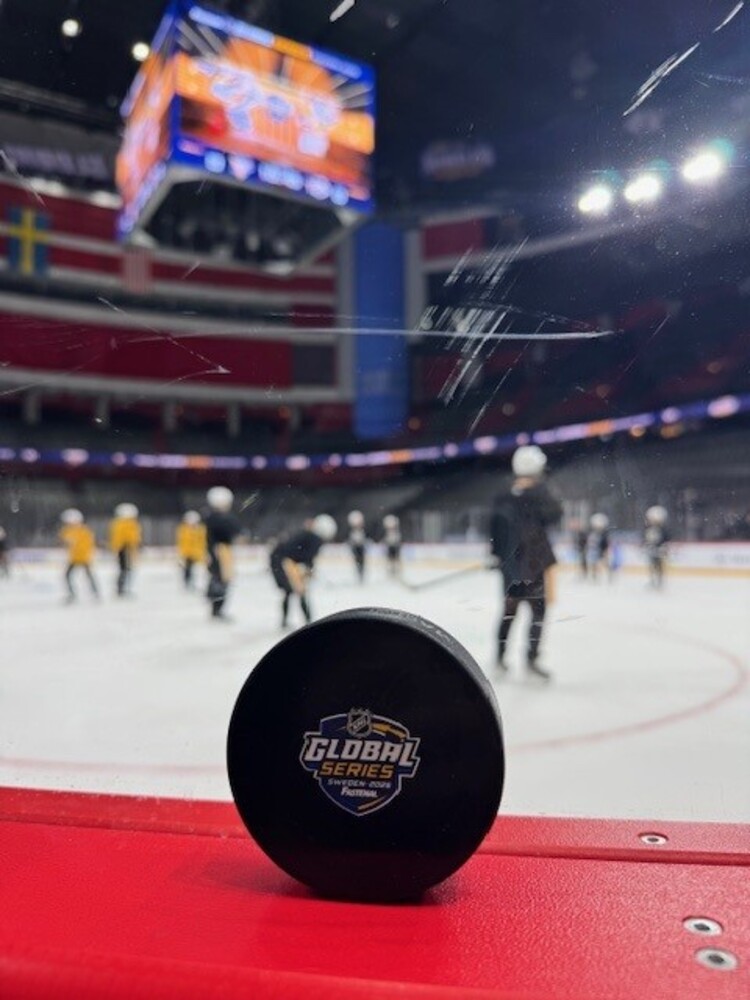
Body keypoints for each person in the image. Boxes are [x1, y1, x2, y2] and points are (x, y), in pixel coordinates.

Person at [489, 445, 562, 680]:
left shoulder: (504, 495)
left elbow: (495, 530)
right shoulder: (538, 494)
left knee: (515, 614)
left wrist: (496, 554)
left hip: (518, 566)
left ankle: (508, 658)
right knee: (530, 613)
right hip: (527, 566)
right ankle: (521, 658)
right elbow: (555, 514)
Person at [270, 514, 337, 629]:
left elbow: (301, 554)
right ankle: (308, 621)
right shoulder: (315, 539)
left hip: (281, 559)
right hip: (286, 562)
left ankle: (290, 621)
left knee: (290, 592)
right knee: (298, 592)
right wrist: (309, 569)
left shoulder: (309, 535)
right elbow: (307, 557)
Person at [204, 486, 243, 620]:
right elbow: (236, 531)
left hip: (218, 552)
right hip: (221, 553)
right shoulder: (220, 519)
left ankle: (216, 609)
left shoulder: (209, 518)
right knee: (221, 581)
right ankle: (217, 609)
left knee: (218, 580)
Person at [59, 509, 99, 604]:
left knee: (86, 576)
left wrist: (82, 553)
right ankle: (90, 593)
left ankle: (94, 593)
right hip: (75, 557)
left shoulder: (83, 531)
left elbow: (87, 545)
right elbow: (65, 541)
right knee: (71, 576)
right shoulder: (68, 530)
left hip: (82, 557)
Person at [110, 503, 141, 597]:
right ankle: (122, 588)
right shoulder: (126, 524)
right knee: (125, 569)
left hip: (125, 548)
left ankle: (122, 588)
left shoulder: (119, 523)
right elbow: (128, 537)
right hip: (125, 548)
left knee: (125, 569)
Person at [176, 510, 206, 590]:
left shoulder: (201, 529)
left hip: (198, 554)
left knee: (198, 570)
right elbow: (182, 542)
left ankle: (197, 584)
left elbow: (203, 541)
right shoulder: (183, 529)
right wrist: (182, 554)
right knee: (187, 570)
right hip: (187, 554)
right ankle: (187, 583)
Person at [644, 505, 669, 589]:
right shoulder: (648, 529)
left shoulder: (663, 530)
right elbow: (646, 539)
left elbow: (666, 539)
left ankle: (659, 582)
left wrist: (664, 548)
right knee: (652, 566)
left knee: (659, 567)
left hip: (659, 551)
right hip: (651, 550)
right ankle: (653, 581)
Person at [588, 513, 611, 582]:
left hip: (602, 551)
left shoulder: (604, 535)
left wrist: (605, 551)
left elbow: (605, 543)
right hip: (596, 552)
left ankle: (608, 576)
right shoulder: (593, 534)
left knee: (605, 564)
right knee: (594, 564)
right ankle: (595, 576)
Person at [347, 510, 367, 583]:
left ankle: (361, 574)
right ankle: (359, 573)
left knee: (362, 562)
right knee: (357, 561)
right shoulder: (351, 531)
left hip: (361, 547)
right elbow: (351, 541)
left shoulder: (363, 530)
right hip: (356, 548)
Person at [383, 514, 403, 578]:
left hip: (396, 548)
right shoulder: (386, 533)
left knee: (396, 560)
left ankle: (397, 572)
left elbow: (399, 541)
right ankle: (391, 572)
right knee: (390, 561)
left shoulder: (397, 532)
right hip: (390, 548)